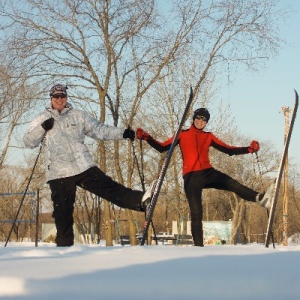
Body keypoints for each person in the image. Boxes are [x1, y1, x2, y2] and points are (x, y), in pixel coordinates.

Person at [23, 84, 151, 247]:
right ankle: (64, 248)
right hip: (58, 172)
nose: (60, 99)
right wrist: (42, 128)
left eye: (62, 96)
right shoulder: (41, 119)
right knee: (63, 212)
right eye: (56, 97)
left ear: (66, 98)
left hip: (82, 165)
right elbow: (28, 142)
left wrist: (123, 133)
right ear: (51, 99)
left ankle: (140, 200)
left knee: (109, 187)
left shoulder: (78, 116)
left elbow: (100, 130)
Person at [136, 108, 274, 247]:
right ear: (193, 118)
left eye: (204, 120)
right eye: (199, 118)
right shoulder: (182, 134)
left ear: (206, 122)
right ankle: (198, 248)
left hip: (208, 172)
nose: (201, 121)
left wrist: (248, 149)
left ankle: (260, 198)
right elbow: (162, 147)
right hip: (191, 178)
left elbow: (229, 150)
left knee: (232, 184)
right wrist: (147, 137)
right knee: (196, 213)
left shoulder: (208, 136)